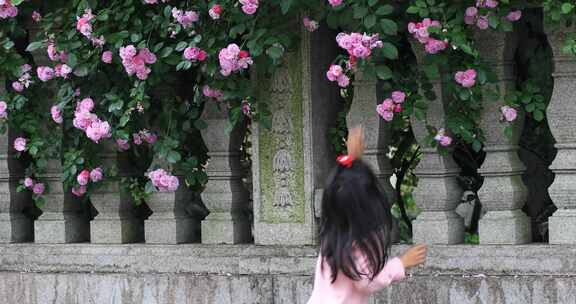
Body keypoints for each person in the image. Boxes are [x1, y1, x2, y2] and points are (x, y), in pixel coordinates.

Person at [307, 126, 427, 304]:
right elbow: (367, 282)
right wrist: (401, 263)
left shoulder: (335, 233)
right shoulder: (356, 245)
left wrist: (353, 158)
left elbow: (349, 186)